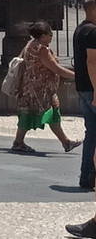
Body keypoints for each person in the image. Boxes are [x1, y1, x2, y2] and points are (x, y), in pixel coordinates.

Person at [9, 20, 81, 153]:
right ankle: (65, 142)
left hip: (29, 87)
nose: (52, 37)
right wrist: (78, 76)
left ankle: (18, 142)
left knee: (27, 113)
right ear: (43, 35)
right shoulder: (42, 49)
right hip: (42, 90)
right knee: (52, 113)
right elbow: (57, 69)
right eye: (50, 34)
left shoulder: (30, 44)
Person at [73, 0, 96, 190]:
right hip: (92, 88)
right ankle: (89, 174)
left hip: (82, 87)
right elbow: (92, 61)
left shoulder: (79, 30)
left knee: (92, 133)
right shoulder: (93, 31)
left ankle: (87, 175)